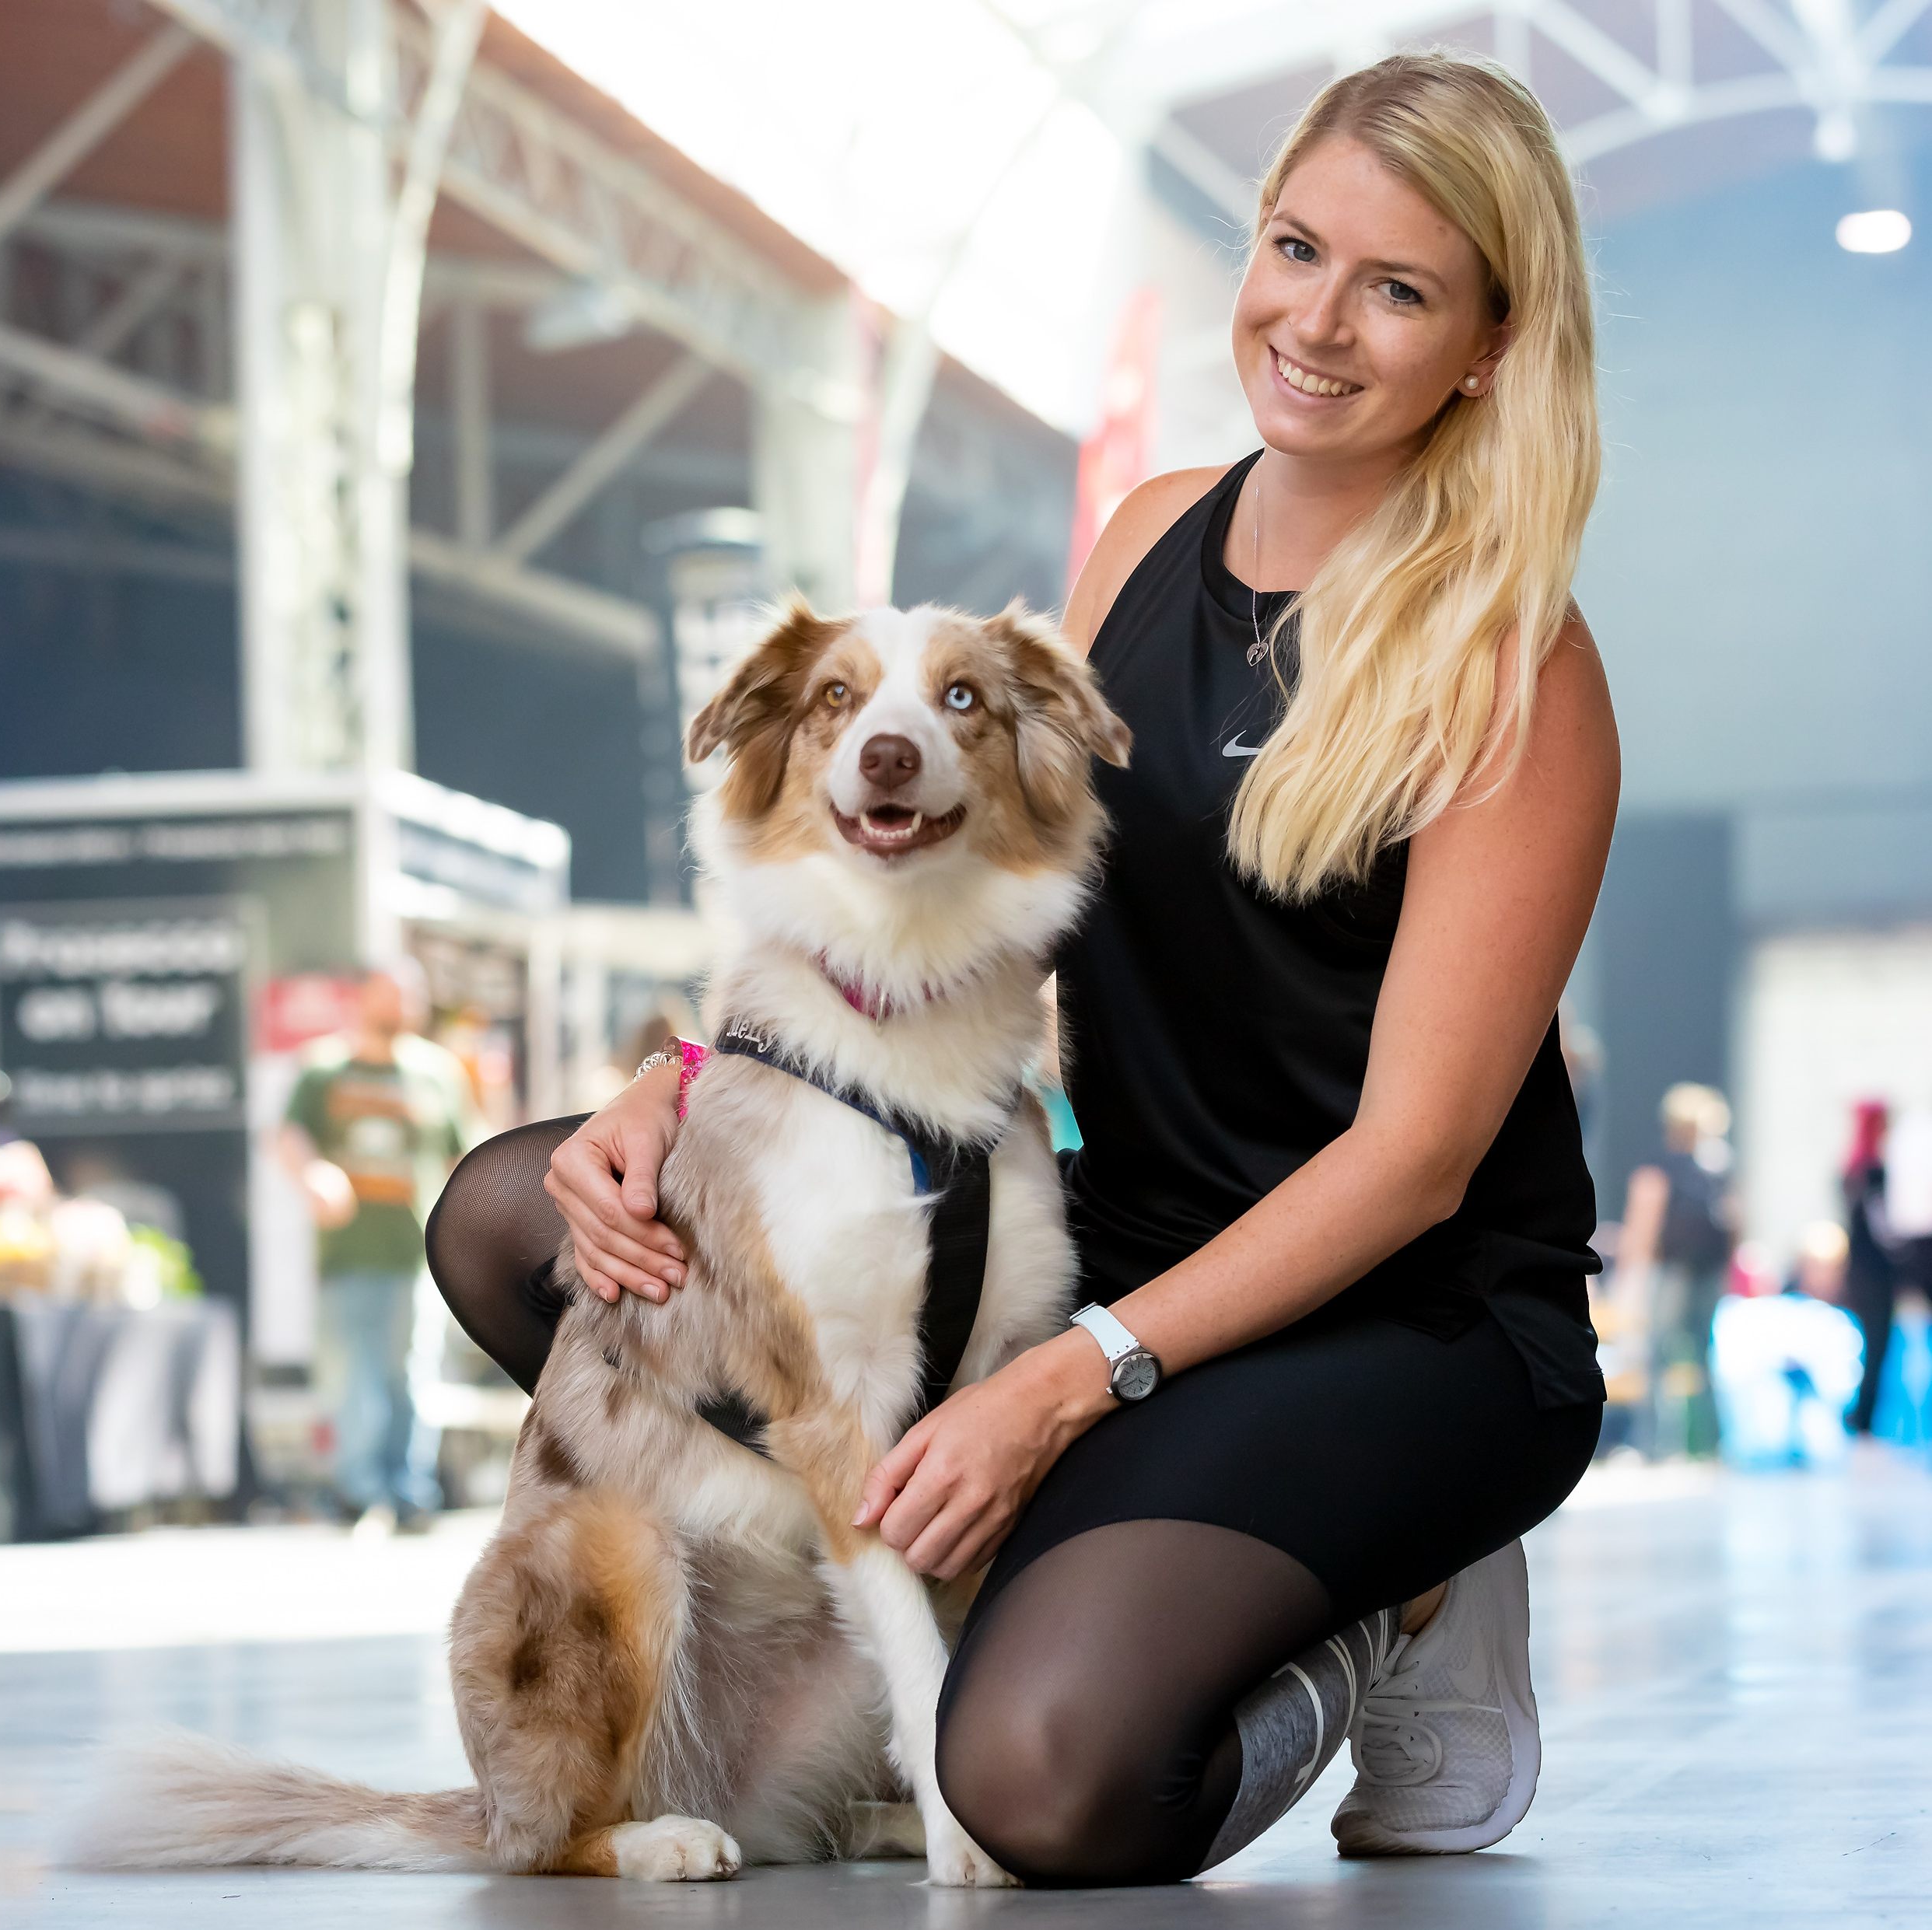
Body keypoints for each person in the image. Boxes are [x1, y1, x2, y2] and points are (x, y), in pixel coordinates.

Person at [428, 50, 1615, 1887]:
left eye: (1392, 287)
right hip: (1120, 1231)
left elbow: (1415, 1161)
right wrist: (682, 1095)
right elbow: (968, 899)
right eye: (1293, 248)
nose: (1313, 319)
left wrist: (1064, 1378)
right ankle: (935, 1643)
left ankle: (1397, 1597)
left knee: (1035, 1781)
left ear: (1480, 343)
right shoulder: (1147, 533)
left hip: (1403, 1310)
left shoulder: (1512, 671)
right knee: (514, 1211)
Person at [278, 964, 478, 1533]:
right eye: (391, 995)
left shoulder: (437, 1073)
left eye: (411, 996)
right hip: (347, 1251)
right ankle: (355, 1490)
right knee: (349, 1374)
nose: (401, 1006)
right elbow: (288, 1136)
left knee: (412, 1374)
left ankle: (409, 1491)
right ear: (364, 999)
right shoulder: (323, 1071)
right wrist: (313, 1173)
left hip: (417, 1253)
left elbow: (463, 1155)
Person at [1614, 1083, 1737, 1458]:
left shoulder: (1660, 1164)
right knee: (1704, 1356)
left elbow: (1644, 1222)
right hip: (1708, 1271)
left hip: (1671, 1271)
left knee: (1656, 1356)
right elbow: (1735, 1220)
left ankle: (1654, 1446)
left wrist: (1629, 1275)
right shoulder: (1720, 1166)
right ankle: (1710, 1445)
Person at [1843, 1099, 1899, 1436]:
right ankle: (1864, 1418)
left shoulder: (1851, 1168)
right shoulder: (1874, 1172)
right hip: (1876, 1271)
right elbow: (1885, 1230)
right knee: (1876, 1344)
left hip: (1859, 1267)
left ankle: (1863, 1416)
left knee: (1869, 1343)